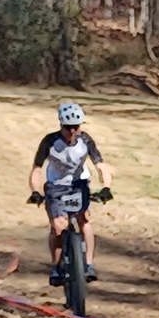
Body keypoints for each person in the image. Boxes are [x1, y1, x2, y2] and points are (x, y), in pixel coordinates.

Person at [27, 103, 113, 286]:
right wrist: (35, 191)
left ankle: (88, 265)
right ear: (61, 126)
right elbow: (36, 169)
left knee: (84, 220)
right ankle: (56, 266)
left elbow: (101, 165)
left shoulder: (86, 141)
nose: (72, 131)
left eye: (76, 127)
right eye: (68, 128)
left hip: (78, 185)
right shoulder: (49, 142)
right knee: (58, 226)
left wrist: (106, 187)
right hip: (56, 187)